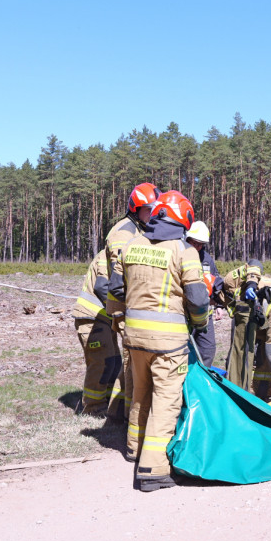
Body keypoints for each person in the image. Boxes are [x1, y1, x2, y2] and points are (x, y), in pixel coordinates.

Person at [108, 190, 209, 492]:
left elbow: (114, 289)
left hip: (134, 338)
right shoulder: (184, 252)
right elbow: (196, 297)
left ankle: (133, 449)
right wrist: (201, 322)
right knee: (166, 402)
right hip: (169, 344)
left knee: (140, 393)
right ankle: (153, 469)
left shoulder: (131, 245)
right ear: (183, 220)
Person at [104, 182, 160, 420]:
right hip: (126, 309)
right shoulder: (123, 234)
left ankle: (119, 414)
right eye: (149, 209)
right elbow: (120, 279)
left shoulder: (138, 230)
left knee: (132, 365)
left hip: (134, 308)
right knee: (131, 366)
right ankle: (130, 419)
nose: (153, 214)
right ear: (136, 209)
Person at [215, 259, 271, 411]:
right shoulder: (226, 301)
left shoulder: (229, 281)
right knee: (261, 351)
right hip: (265, 314)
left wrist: (251, 284)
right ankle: (262, 391)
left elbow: (254, 264)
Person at [71, 247, 122, 416]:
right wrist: (120, 311)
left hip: (104, 318)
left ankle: (106, 403)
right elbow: (102, 287)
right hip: (91, 318)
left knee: (114, 362)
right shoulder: (105, 256)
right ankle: (93, 408)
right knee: (102, 363)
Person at [186, 221, 220, 367]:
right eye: (195, 243)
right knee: (185, 350)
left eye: (201, 244)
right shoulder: (180, 254)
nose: (198, 247)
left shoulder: (206, 259)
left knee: (208, 349)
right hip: (185, 314)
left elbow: (215, 279)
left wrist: (218, 305)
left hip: (205, 313)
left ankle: (202, 378)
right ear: (187, 240)